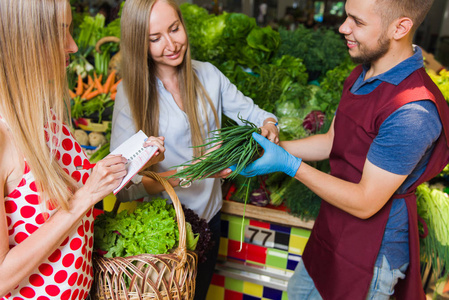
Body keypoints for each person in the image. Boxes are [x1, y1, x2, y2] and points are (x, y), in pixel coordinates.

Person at [233, 0, 449, 299]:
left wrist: (288, 165)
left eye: (357, 22)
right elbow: (332, 141)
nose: (342, 27)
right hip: (331, 228)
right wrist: (268, 148)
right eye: (347, 16)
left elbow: (365, 202)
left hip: (370, 255)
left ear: (400, 27)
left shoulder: (412, 111)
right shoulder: (363, 73)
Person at [109, 0, 279, 299]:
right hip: (163, 233)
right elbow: (123, 188)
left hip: (210, 217)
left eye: (175, 29)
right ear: (139, 43)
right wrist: (184, 173)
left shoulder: (209, 75)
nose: (172, 44)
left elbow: (256, 113)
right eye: (155, 38)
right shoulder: (129, 93)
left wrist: (269, 125)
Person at [0, 1, 164, 299]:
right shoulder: (2, 134)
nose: (73, 46)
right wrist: (85, 196)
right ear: (28, 39)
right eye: (62, 32)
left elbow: (82, 189)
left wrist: (134, 160)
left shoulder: (44, 114)